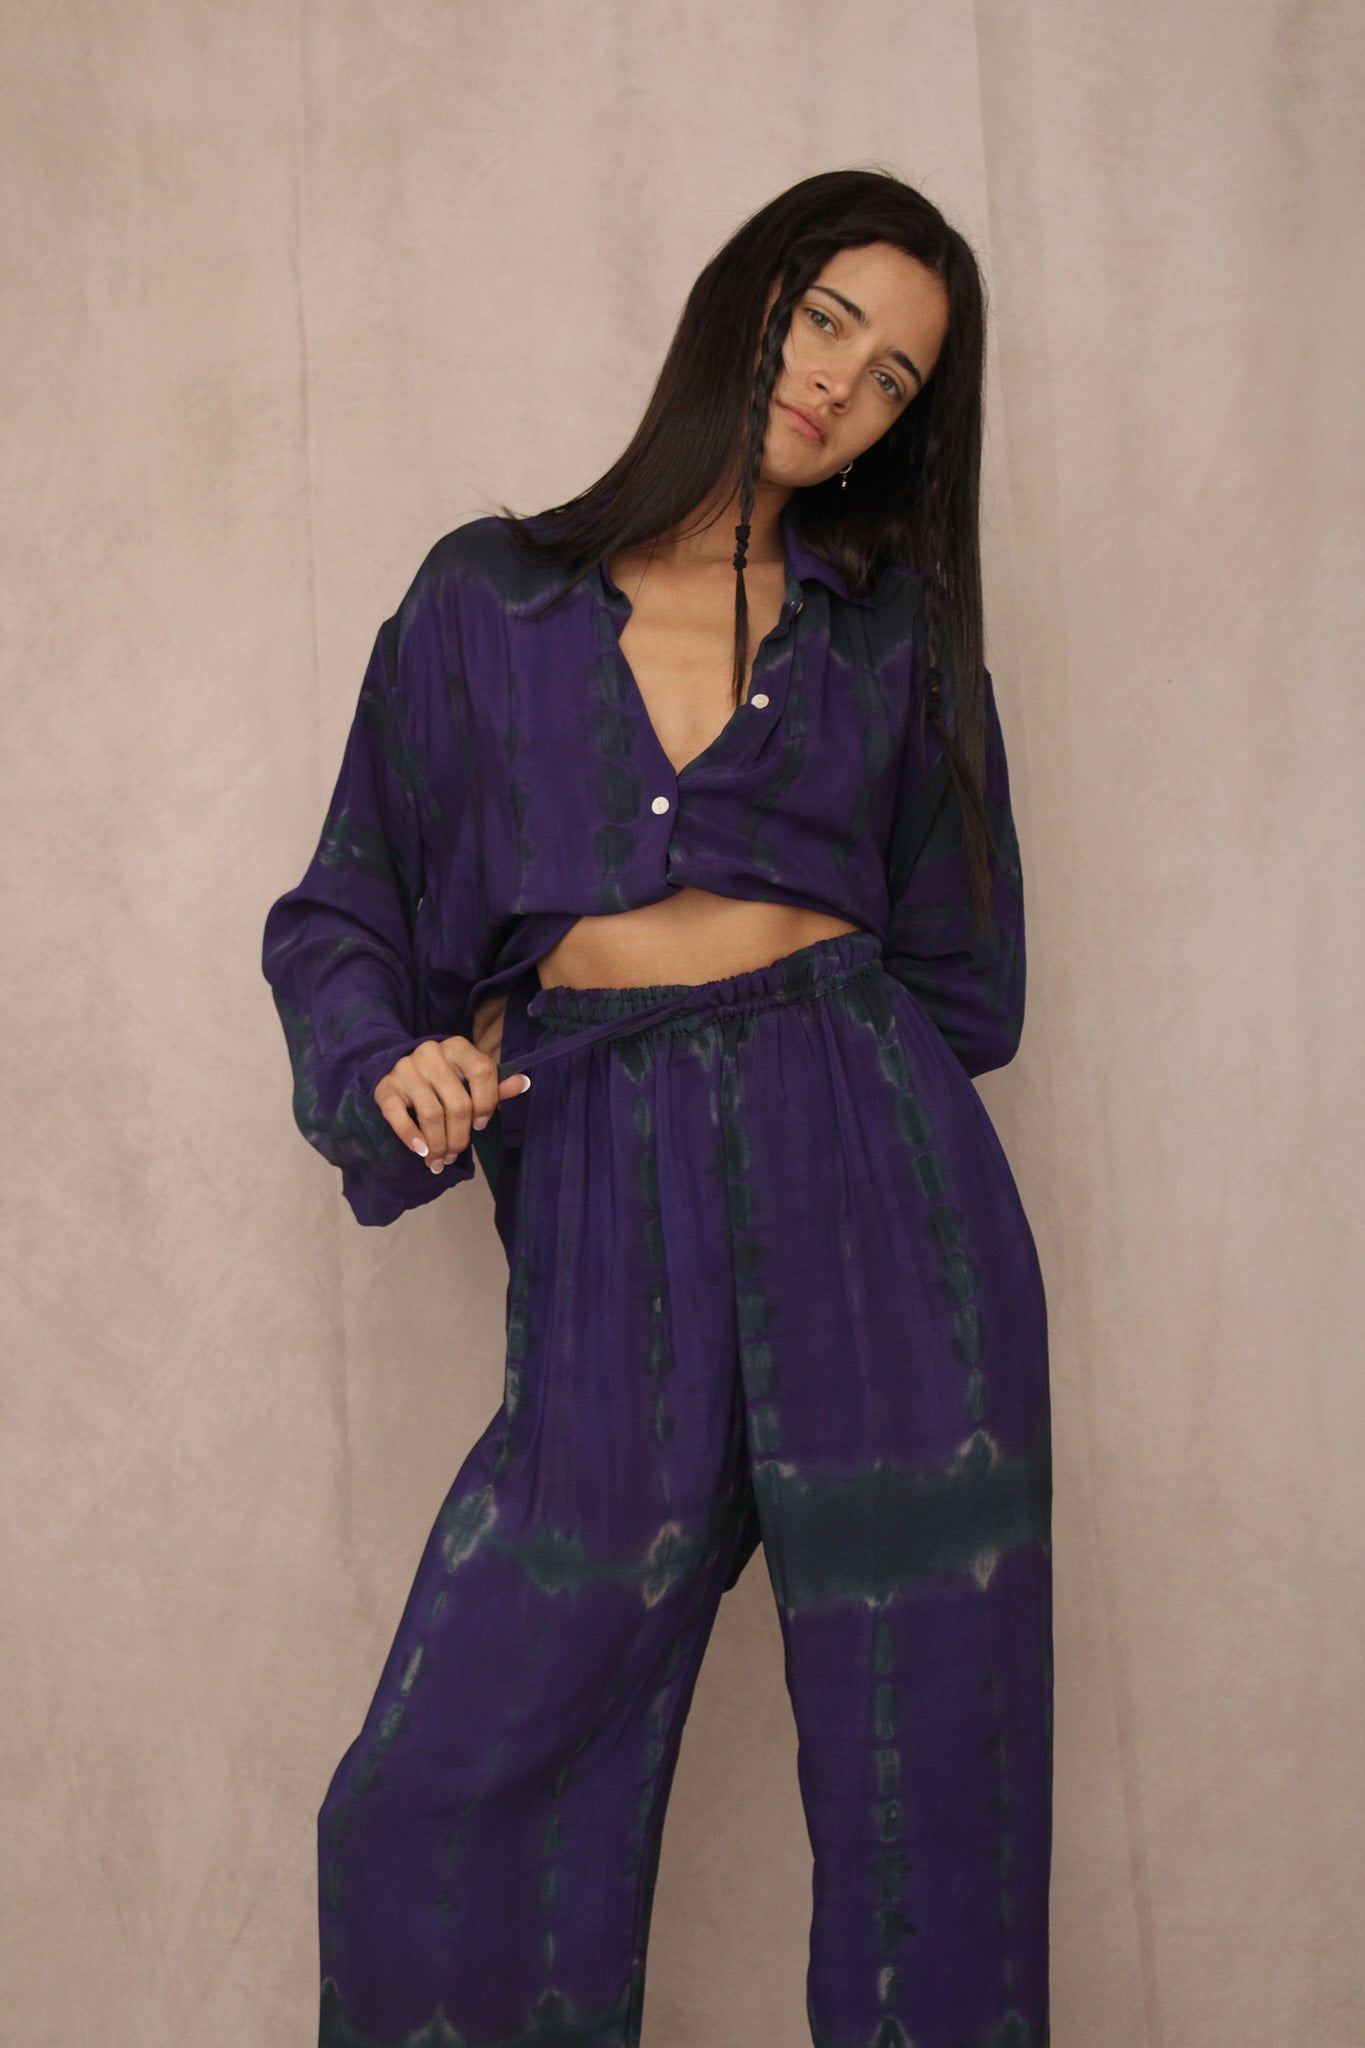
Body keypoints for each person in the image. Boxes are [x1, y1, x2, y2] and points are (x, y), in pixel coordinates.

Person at [262, 166, 1052, 2048]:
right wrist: (399, 1059)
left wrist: (827, 1083)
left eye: (894, 377)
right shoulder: (485, 598)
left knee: (933, 1787)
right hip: (606, 1177)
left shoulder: (891, 633)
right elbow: (346, 911)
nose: (842, 383)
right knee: (441, 1796)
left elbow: (968, 983)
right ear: (744, 299)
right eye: (827, 319)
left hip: (874, 1185)